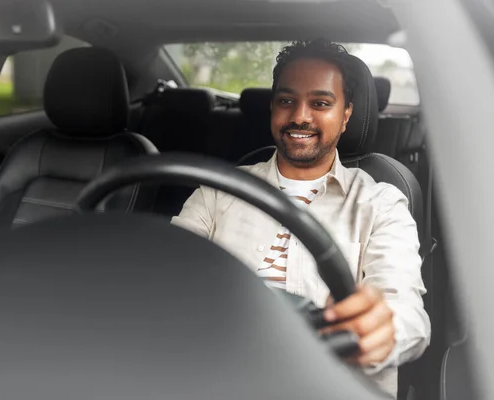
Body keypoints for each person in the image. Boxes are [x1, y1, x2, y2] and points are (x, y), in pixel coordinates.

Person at [171, 39, 431, 398]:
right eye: (286, 101)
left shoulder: (381, 203)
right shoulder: (219, 190)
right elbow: (167, 274)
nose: (300, 117)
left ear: (346, 115)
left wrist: (381, 331)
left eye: (321, 103)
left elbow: (408, 316)